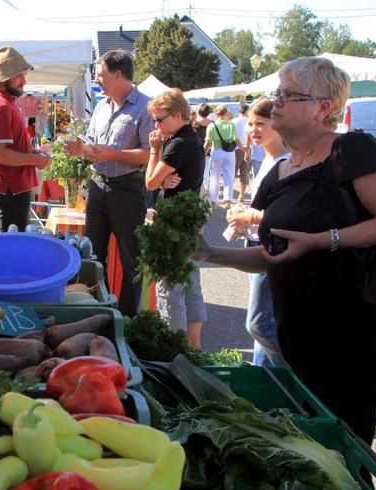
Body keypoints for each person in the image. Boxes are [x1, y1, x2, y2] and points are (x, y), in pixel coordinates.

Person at [194, 57, 376, 444]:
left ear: (323, 108)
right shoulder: (281, 170)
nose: (274, 100)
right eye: (276, 92)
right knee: (304, 445)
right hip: (295, 337)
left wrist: (322, 240)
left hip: (352, 340)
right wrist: (208, 254)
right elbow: (273, 256)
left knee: (343, 449)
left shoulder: (351, 151)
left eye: (287, 94)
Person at [63, 49, 154, 316]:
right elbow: (93, 145)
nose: (98, 80)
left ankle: (125, 321)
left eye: (101, 75)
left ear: (118, 74)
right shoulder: (101, 106)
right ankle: (94, 314)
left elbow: (149, 154)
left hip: (128, 190)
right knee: (92, 257)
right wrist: (80, 149)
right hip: (98, 187)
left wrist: (111, 153)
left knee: (131, 262)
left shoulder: (144, 107)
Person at [225, 99, 290, 367]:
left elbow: (288, 214)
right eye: (251, 123)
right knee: (263, 324)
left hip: (271, 249)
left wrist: (250, 215)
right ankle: (264, 380)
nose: (253, 129)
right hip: (257, 243)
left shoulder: (286, 161)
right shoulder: (268, 158)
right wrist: (246, 211)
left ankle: (292, 379)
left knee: (260, 324)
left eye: (261, 124)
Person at [145, 88, 208, 347]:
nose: (157, 125)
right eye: (155, 120)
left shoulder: (177, 143)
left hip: (173, 225)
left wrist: (153, 150)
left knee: (170, 291)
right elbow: (164, 182)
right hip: (189, 222)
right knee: (190, 285)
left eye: (160, 119)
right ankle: (194, 347)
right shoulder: (189, 138)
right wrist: (164, 183)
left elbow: (149, 182)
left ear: (179, 114)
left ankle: (176, 350)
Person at [0, 46, 51, 232]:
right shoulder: (1, 107)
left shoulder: (8, 102)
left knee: (15, 240)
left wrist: (32, 153)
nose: (24, 80)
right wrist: (35, 159)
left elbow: (9, 147)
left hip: (14, 186)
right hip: (9, 187)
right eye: (19, 75)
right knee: (12, 244)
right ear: (4, 77)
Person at [204, 106, 243, 209]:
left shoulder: (211, 126)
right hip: (230, 153)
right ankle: (228, 201)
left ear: (216, 114)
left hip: (216, 151)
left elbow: (208, 142)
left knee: (214, 176)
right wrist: (242, 148)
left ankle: (214, 201)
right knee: (229, 176)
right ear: (226, 113)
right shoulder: (231, 125)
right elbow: (236, 139)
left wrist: (203, 154)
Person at [231, 104, 251, 202]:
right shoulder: (250, 121)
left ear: (239, 111)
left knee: (233, 172)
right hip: (248, 148)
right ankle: (242, 195)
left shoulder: (234, 121)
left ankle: (229, 192)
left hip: (236, 149)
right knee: (245, 172)